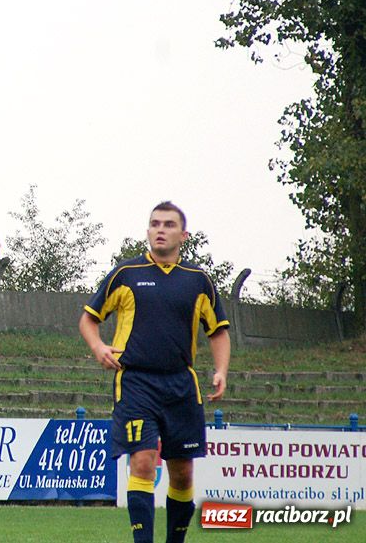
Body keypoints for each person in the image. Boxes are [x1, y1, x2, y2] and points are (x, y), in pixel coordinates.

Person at [78, 201, 231, 543]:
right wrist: (98, 347)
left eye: (169, 224)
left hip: (181, 384)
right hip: (136, 382)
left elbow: (218, 332)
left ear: (183, 235)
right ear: (148, 231)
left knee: (182, 472)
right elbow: (89, 319)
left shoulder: (198, 280)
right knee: (144, 462)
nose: (160, 229)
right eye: (155, 223)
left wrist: (221, 370)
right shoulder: (126, 273)